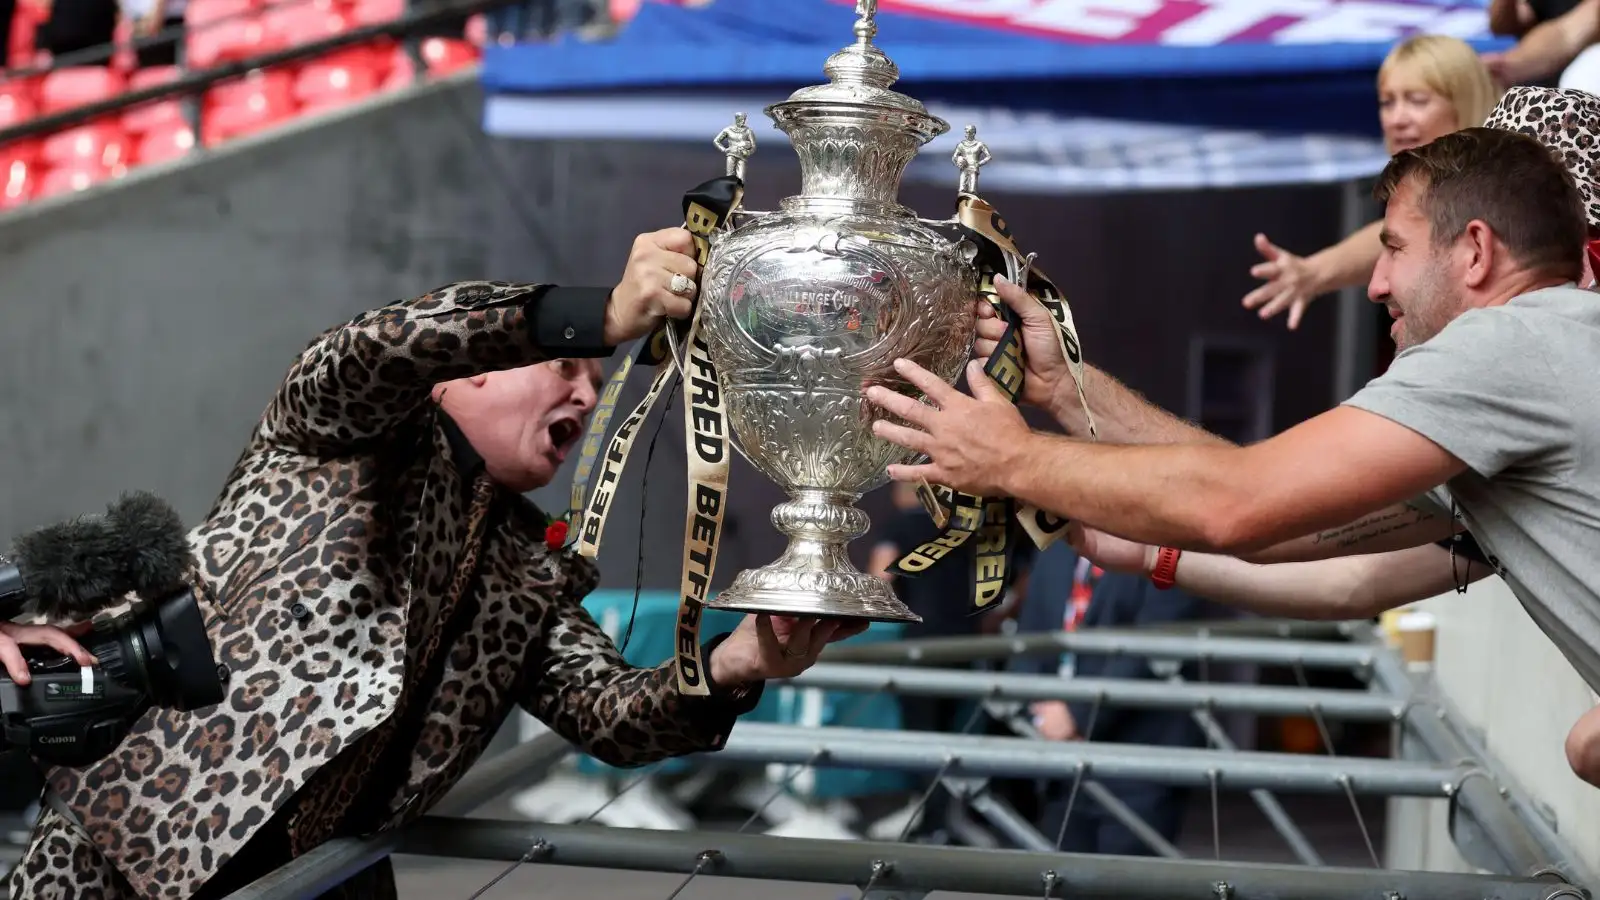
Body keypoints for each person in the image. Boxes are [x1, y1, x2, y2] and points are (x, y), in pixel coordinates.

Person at [4, 228, 866, 900]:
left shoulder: (529, 568)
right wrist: (596, 314)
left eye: (594, 383)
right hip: (131, 845)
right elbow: (378, 346)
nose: (585, 393)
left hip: (314, 882)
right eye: (564, 367)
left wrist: (740, 662)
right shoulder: (339, 434)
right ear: (463, 377)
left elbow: (613, 717)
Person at [863, 125, 1600, 787]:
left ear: (1475, 251)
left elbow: (1238, 503)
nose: (1374, 285)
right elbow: (1312, 543)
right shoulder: (1542, 357)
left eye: (1394, 249)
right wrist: (1068, 392)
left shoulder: (1506, 345)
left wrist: (1012, 459)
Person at [1244, 35, 1499, 330]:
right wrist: (1312, 272)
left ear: (1464, 102)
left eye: (1417, 100)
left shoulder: (1496, 182)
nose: (1397, 119)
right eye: (1387, 103)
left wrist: (1314, 272)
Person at [1010, 542, 1206, 856]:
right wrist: (1040, 714)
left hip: (1140, 759)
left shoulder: (1167, 544)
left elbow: (1155, 641)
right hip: (1059, 757)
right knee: (1059, 875)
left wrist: (1076, 714)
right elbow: (1031, 635)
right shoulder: (1055, 548)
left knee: (1126, 880)